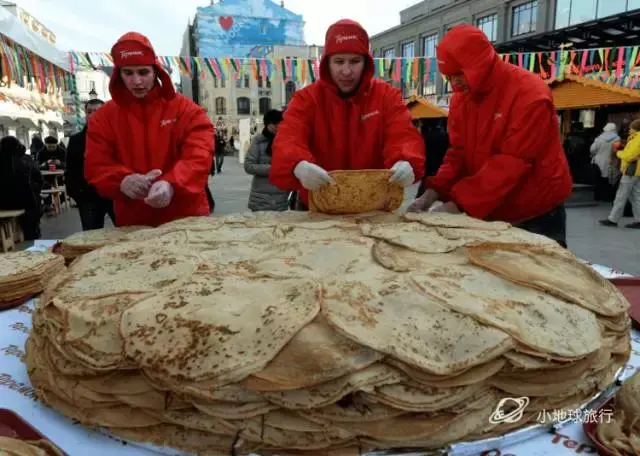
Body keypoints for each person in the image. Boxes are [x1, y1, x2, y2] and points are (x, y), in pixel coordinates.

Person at [408, 24, 572, 247]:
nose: (454, 83)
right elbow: (458, 153)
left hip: (535, 210)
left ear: (480, 65)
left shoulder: (530, 95)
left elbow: (511, 163)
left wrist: (456, 204)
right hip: (490, 205)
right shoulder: (461, 96)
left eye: (459, 74)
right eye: (449, 76)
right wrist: (432, 192)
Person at [269, 19, 425, 209]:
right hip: (318, 203)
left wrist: (406, 160)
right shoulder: (306, 99)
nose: (346, 71)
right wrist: (297, 165)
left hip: (373, 205)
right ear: (327, 63)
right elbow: (288, 138)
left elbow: (403, 135)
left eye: (354, 61)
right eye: (339, 61)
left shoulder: (386, 96)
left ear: (365, 62)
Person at [85, 32, 214, 227]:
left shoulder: (187, 110)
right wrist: (122, 180)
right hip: (134, 221)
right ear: (118, 75)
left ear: (156, 72)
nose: (136, 81)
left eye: (143, 72)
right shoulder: (103, 118)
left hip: (186, 216)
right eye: (128, 73)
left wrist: (171, 183)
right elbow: (97, 163)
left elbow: (199, 156)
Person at [65, 98, 117, 231]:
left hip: (113, 195)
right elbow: (71, 169)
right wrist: (77, 194)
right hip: (88, 197)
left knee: (123, 233)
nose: (93, 114)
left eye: (97, 111)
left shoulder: (116, 136)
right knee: (90, 237)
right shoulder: (76, 140)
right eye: (89, 111)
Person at [244, 109, 290, 212]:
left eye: (281, 124)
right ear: (269, 125)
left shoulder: (285, 141)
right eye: (276, 124)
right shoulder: (258, 141)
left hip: (281, 198)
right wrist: (273, 169)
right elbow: (248, 165)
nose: (279, 127)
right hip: (261, 199)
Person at [599, 118, 640, 229]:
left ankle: (613, 219)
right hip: (636, 171)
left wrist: (619, 153)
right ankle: (639, 220)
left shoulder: (637, 139)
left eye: (631, 127)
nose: (629, 129)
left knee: (621, 195)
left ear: (636, 128)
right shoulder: (634, 138)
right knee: (636, 196)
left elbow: (630, 156)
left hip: (631, 170)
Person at [0, 136, 43, 240]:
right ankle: (31, 232)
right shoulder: (24, 160)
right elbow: (38, 178)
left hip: (1, 203)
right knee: (34, 199)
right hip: (21, 202)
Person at [589, 122, 619, 202]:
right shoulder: (617, 139)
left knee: (599, 179)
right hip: (612, 161)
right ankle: (608, 197)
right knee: (610, 180)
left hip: (599, 161)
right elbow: (617, 151)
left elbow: (592, 149)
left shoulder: (599, 138)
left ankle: (599, 196)